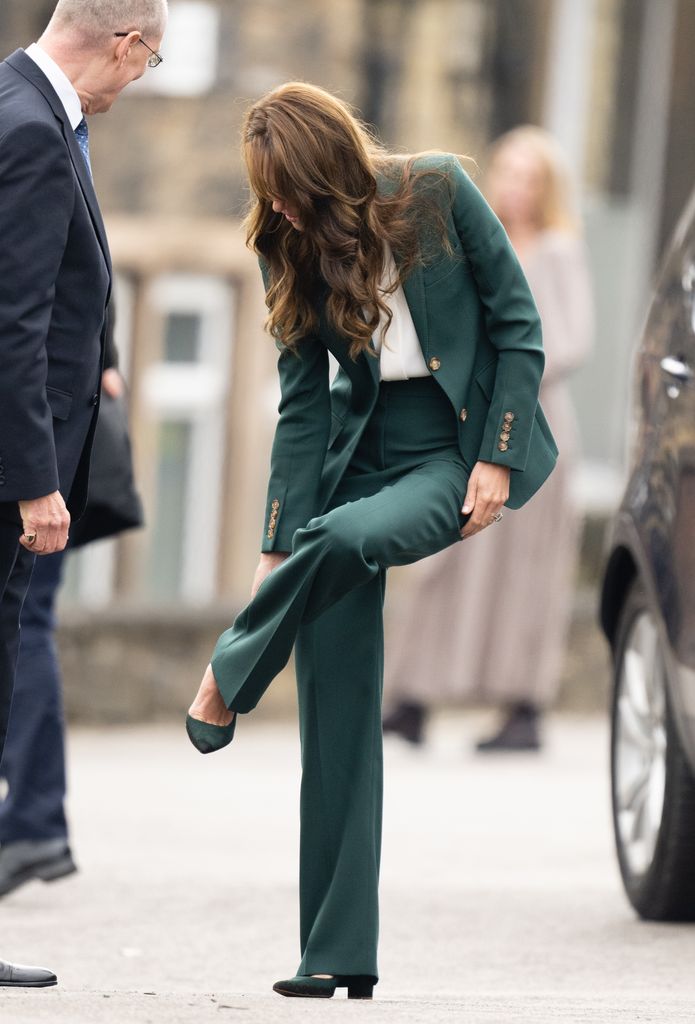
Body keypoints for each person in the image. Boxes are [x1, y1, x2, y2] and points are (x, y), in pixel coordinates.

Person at [186, 83, 557, 1000]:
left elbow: (518, 325)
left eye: (285, 187)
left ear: (325, 165)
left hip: (447, 452)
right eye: (264, 192)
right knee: (339, 718)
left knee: (350, 536)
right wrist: (277, 546)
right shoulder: (290, 240)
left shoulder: (434, 192)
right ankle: (334, 952)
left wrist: (497, 459)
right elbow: (305, 404)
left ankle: (228, 672)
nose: (273, 206)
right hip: (354, 454)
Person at [0, 0, 167, 989]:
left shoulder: (28, 108)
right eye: (146, 62)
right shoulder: (28, 127)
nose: (138, 81)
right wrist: (33, 486)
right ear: (122, 42)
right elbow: (12, 325)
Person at [382, 125, 593, 751]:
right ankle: (414, 696)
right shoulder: (475, 239)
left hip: (535, 425)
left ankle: (523, 706)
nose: (515, 188)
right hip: (469, 419)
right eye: (508, 173)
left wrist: (509, 362)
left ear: (548, 188)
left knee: (527, 574)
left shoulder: (557, 250)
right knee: (445, 557)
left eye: (530, 177)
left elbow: (571, 341)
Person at [0, 310, 143, 898]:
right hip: (45, 447)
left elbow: (29, 313)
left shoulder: (37, 211)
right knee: (29, 619)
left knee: (24, 620)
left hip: (37, 455)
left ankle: (34, 819)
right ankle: (35, 820)